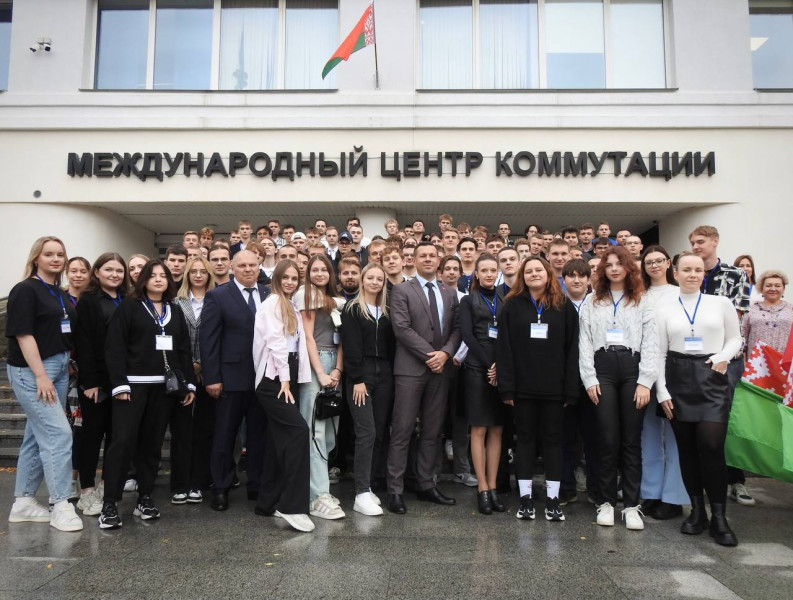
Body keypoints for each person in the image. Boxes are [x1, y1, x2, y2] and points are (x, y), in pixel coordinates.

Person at [100, 259, 196, 529]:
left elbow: (184, 350)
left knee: (152, 444)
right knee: (123, 442)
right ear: (143, 279)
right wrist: (119, 384)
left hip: (164, 389)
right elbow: (115, 346)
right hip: (132, 388)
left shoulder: (174, 310)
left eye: (163, 276)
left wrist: (188, 384)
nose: (158, 280)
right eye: (152, 276)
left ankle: (145, 497)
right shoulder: (129, 307)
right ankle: (110, 503)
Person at [655, 252, 742, 546]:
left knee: (711, 446)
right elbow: (659, 352)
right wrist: (662, 391)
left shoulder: (721, 303)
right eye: (687, 270)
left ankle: (720, 517)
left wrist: (723, 356)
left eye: (698, 270)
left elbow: (735, 338)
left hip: (711, 375)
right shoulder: (664, 308)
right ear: (675, 273)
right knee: (687, 449)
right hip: (677, 378)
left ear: (704, 274)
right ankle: (697, 511)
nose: (693, 274)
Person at [6, 236, 83, 531]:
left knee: (36, 435)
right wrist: (40, 375)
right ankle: (61, 504)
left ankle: (23, 502)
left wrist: (66, 362)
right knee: (58, 433)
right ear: (36, 257)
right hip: (33, 370)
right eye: (49, 254)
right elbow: (23, 334)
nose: (56, 259)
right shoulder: (25, 289)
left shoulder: (57, 292)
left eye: (60, 254)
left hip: (60, 366)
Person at [579, 245, 658, 531]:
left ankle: (632, 506)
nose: (614, 269)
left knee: (631, 441)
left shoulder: (643, 300)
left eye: (619, 264)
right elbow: (585, 341)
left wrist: (645, 381)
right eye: (609, 264)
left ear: (628, 268)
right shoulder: (592, 301)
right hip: (603, 370)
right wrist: (589, 378)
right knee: (607, 438)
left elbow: (651, 341)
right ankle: (606, 502)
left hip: (633, 368)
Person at [498, 257, 579, 522]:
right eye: (529, 271)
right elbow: (504, 349)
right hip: (522, 389)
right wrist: (507, 388)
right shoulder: (512, 305)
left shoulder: (564, 306)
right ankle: (525, 499)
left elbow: (572, 350)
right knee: (525, 442)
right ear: (523, 276)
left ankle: (553, 500)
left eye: (539, 270)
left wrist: (570, 389)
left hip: (555, 389)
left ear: (548, 274)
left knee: (553, 442)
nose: (534, 274)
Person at [386, 242, 461, 514]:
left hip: (440, 372)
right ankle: (395, 490)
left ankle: (426, 484)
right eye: (423, 256)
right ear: (414, 260)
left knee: (432, 431)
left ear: (438, 260)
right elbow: (401, 328)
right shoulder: (401, 290)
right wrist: (433, 356)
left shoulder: (449, 293)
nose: (428, 259)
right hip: (411, 369)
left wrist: (446, 353)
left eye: (432, 255)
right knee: (402, 430)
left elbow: (457, 329)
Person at [199, 250, 270, 511]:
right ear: (232, 267)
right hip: (229, 379)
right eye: (242, 265)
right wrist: (212, 377)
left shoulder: (269, 294)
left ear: (259, 266)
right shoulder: (218, 296)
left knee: (259, 436)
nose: (248, 269)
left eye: (252, 265)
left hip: (262, 378)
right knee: (225, 435)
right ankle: (221, 487)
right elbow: (208, 340)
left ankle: (256, 485)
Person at [689, 225, 753, 506]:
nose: (696, 246)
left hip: (726, 358)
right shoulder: (689, 274)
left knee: (725, 423)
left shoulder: (736, 274)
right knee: (698, 425)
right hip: (692, 360)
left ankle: (735, 481)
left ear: (715, 241)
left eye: (701, 241)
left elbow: (734, 319)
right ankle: (702, 483)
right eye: (693, 242)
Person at [252, 260, 314, 532]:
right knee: (299, 432)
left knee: (278, 441)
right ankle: (292, 506)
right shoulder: (272, 304)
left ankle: (268, 503)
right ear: (276, 278)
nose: (289, 282)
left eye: (293, 278)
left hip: (287, 374)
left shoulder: (290, 304)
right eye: (285, 277)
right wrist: (285, 379)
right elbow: (276, 343)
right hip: (274, 379)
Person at [73, 252, 129, 517]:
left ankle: (106, 487)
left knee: (116, 436)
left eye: (119, 270)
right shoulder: (88, 301)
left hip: (122, 380)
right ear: (97, 272)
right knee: (92, 436)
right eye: (109, 270)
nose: (114, 275)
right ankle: (86, 489)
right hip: (96, 381)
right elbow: (83, 342)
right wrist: (89, 381)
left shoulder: (128, 299)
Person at [294, 254, 346, 520]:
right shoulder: (306, 295)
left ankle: (319, 488)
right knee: (315, 431)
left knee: (329, 433)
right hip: (316, 365)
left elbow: (342, 339)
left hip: (334, 366)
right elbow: (308, 338)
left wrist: (337, 370)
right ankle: (317, 496)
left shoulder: (335, 300)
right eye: (314, 270)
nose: (319, 274)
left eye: (324, 269)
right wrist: (321, 373)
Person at [638, 246, 688, 521]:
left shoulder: (679, 293)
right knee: (649, 435)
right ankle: (651, 492)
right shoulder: (639, 293)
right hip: (645, 370)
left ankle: (674, 496)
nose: (654, 266)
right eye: (649, 262)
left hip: (673, 370)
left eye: (659, 261)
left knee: (675, 435)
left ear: (669, 263)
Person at [342, 263, 395, 516]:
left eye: (379, 279)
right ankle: (361, 492)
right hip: (361, 374)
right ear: (362, 280)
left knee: (380, 432)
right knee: (366, 432)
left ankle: (370, 485)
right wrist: (357, 378)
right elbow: (350, 345)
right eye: (370, 277)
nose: (375, 282)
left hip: (384, 373)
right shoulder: (353, 309)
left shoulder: (386, 311)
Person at [459, 254, 507, 514]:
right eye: (484, 270)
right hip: (478, 368)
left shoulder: (505, 299)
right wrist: (490, 365)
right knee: (479, 429)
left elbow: (509, 334)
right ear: (476, 273)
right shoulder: (468, 300)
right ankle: (482, 487)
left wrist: (499, 366)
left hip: (501, 367)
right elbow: (467, 335)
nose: (489, 274)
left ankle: (494, 486)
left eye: (492, 270)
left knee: (497, 429)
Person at [173, 257, 217, 504]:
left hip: (209, 373)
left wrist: (202, 363)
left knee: (204, 429)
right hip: (183, 372)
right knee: (181, 430)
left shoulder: (217, 299)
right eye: (194, 271)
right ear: (187, 274)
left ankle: (198, 483)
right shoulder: (176, 302)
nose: (198, 275)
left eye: (203, 271)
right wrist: (190, 365)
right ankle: (180, 483)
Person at [558, 259, 600, 507]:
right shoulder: (556, 304)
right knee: (565, 437)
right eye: (571, 276)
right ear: (563, 280)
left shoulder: (599, 304)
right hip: (565, 380)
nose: (576, 280)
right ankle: (566, 488)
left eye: (581, 276)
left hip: (594, 379)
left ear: (588, 279)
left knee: (594, 437)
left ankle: (596, 488)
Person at [740, 270, 792, 354]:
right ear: (761, 288)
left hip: (784, 360)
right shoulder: (750, 310)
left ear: (783, 289)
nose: (773, 289)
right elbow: (742, 337)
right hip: (756, 360)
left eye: (777, 286)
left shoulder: (790, 309)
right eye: (768, 285)